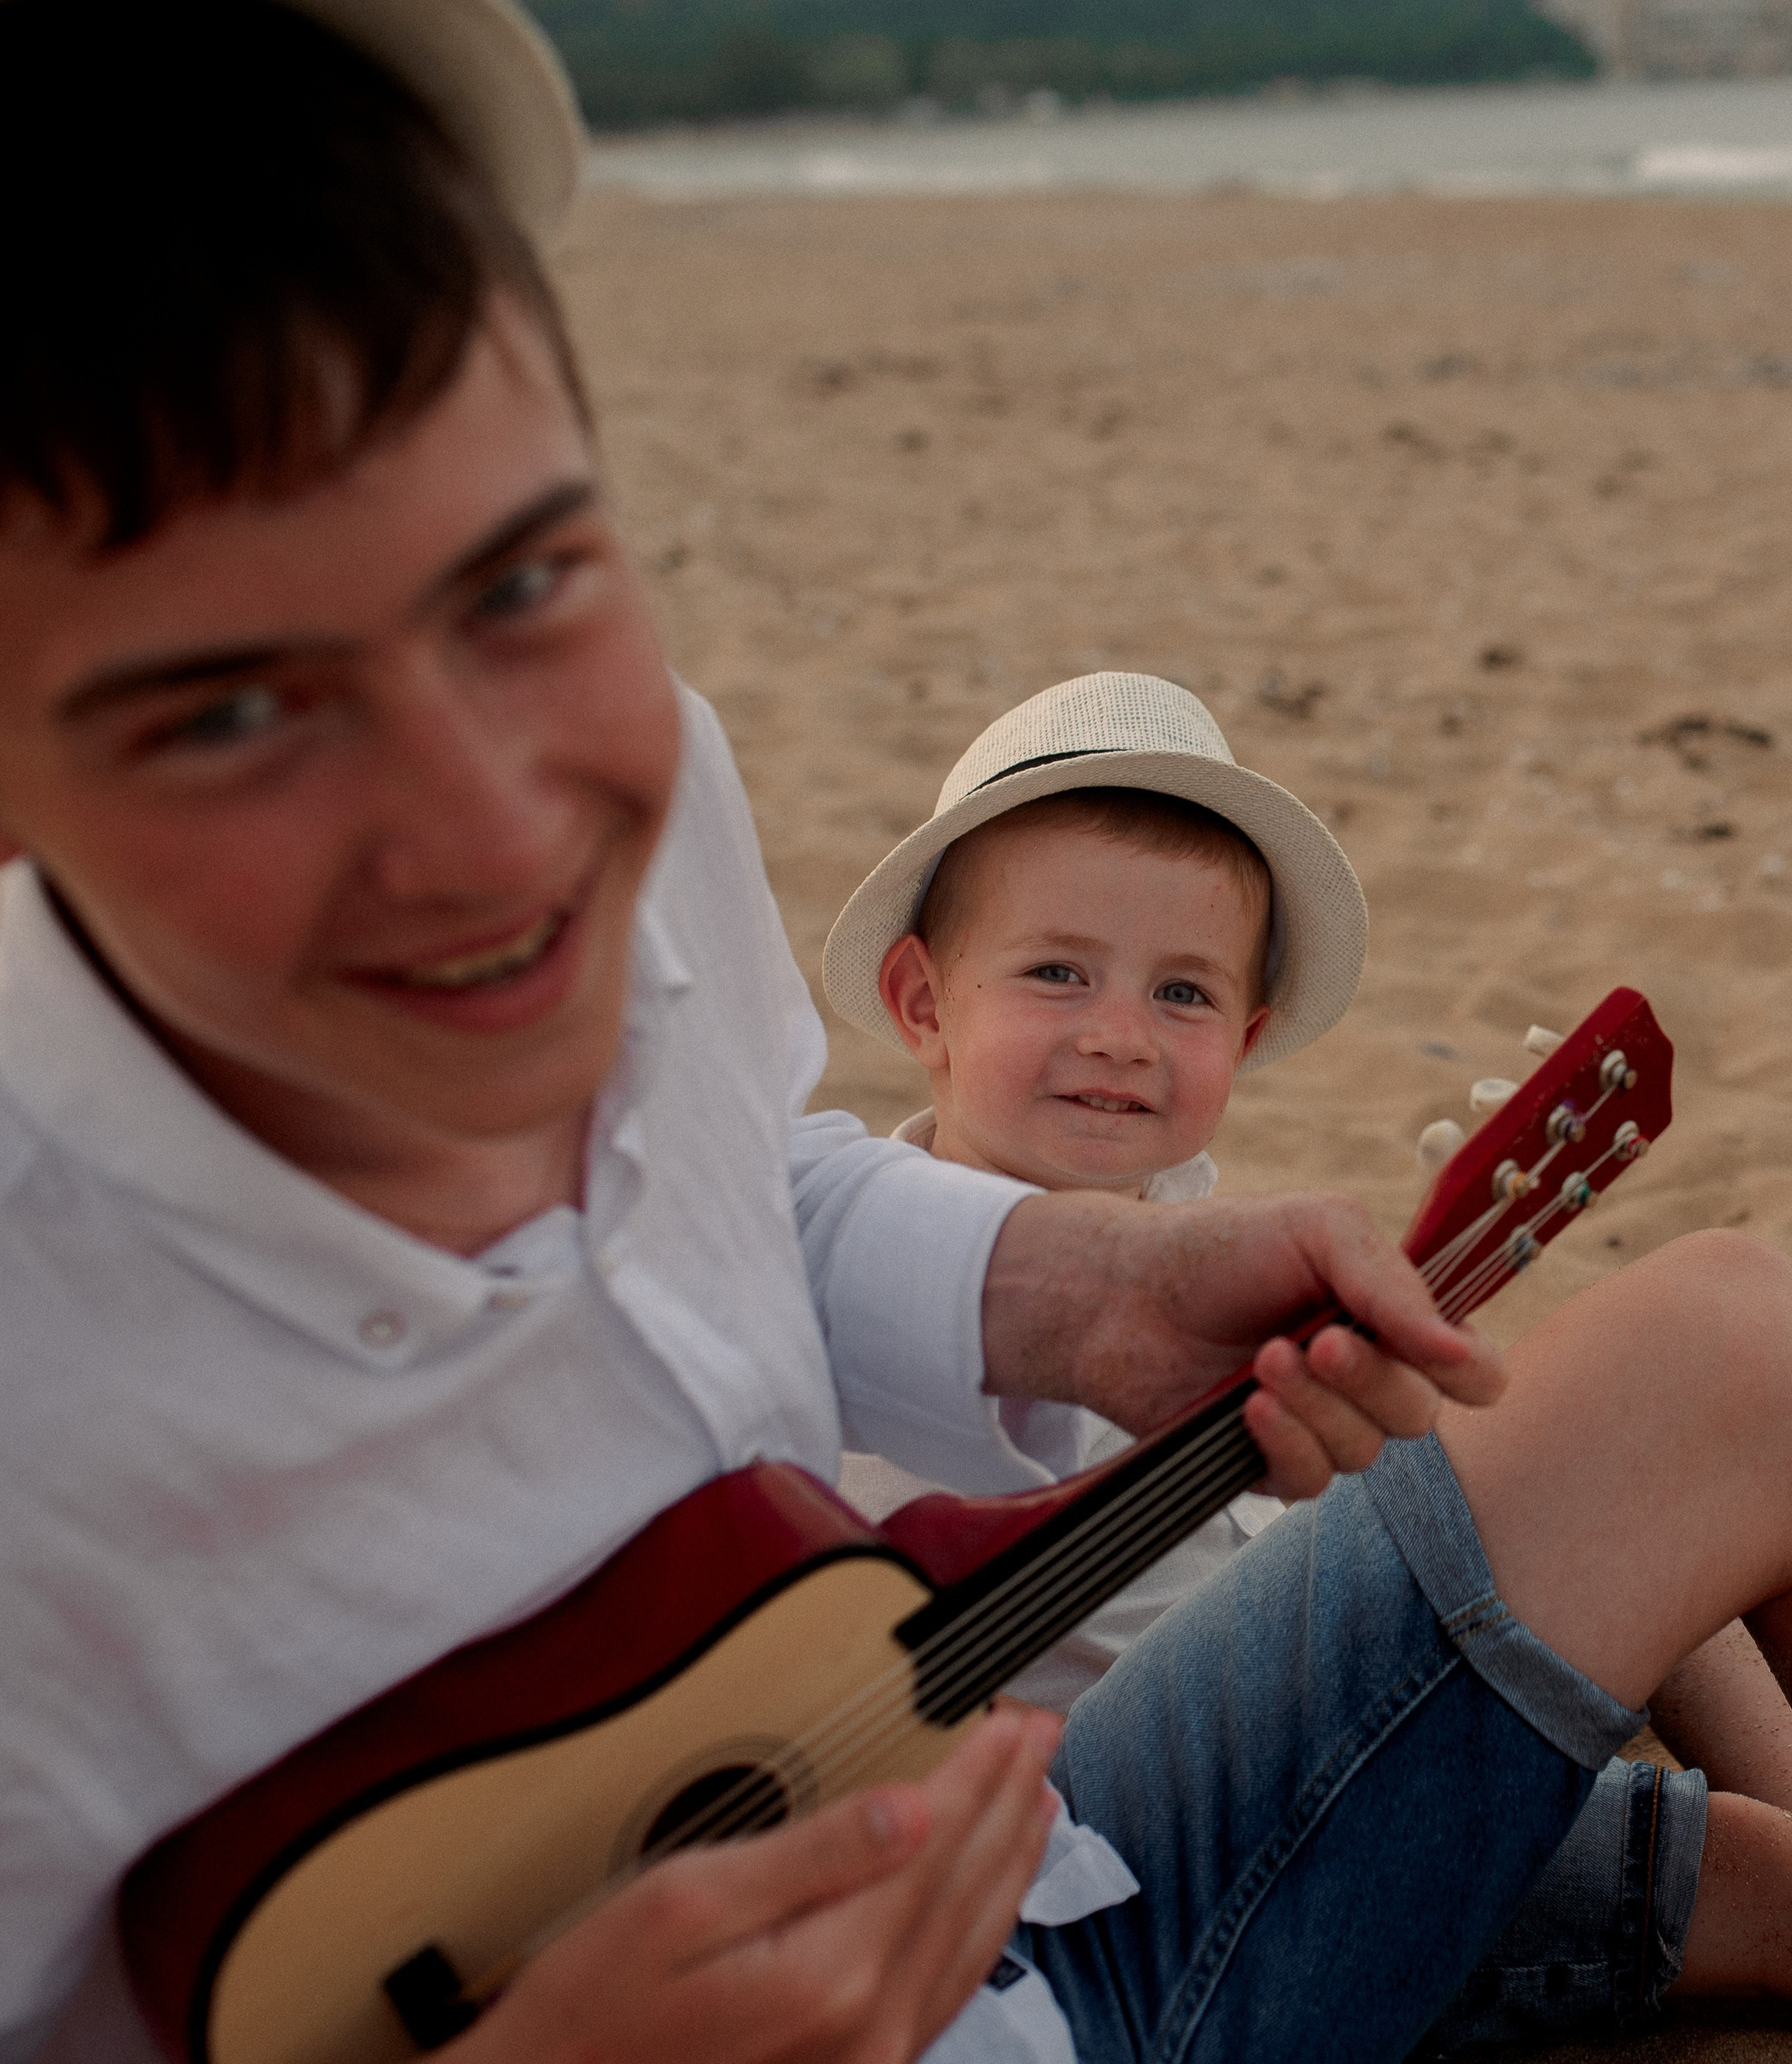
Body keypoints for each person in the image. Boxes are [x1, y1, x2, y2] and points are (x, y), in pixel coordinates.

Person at [1, 7, 1791, 2064]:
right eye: (234, 714)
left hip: (1055, 1861)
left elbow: (732, 1181)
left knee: (1738, 1337)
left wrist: (1082, 1287)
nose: (498, 829)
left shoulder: (658, 777)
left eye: (524, 582)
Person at [827, 671, 1792, 2045]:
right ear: (921, 1003)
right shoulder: (859, 1304)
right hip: (1098, 1873)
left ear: (1247, 1038)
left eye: (1182, 991)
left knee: (1743, 1829)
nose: (1117, 1034)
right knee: (1712, 1358)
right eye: (1055, 972)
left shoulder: (1211, 1249)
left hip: (1330, 1786)